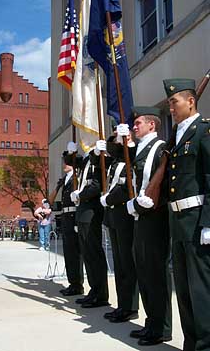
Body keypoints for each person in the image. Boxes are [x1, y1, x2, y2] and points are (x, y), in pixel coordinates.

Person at [162, 78, 210, 351]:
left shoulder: (204, 131)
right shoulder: (177, 135)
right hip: (177, 222)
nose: (170, 107)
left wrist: (208, 223)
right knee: (183, 290)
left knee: (201, 290)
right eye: (169, 103)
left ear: (190, 101)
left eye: (173, 102)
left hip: (196, 221)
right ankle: (191, 344)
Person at [126, 107, 172, 346]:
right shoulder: (140, 149)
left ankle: (162, 328)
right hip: (141, 216)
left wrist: (146, 204)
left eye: (138, 123)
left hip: (155, 217)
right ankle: (152, 322)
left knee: (156, 273)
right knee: (143, 272)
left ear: (152, 125)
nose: (135, 126)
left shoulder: (160, 147)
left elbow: (164, 183)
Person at [96, 129, 139, 323]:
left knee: (127, 263)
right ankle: (122, 305)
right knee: (119, 264)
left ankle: (130, 307)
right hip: (113, 215)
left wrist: (108, 199)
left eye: (117, 138)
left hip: (124, 215)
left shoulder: (132, 156)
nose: (114, 143)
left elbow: (126, 187)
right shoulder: (115, 162)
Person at [67, 141, 109, 308]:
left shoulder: (97, 159)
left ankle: (100, 294)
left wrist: (80, 195)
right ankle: (94, 290)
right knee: (87, 254)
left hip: (91, 209)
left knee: (93, 253)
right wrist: (71, 153)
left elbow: (98, 185)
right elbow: (70, 162)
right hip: (83, 210)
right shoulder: (86, 159)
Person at [59, 152, 84, 296]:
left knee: (75, 253)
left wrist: (75, 222)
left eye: (67, 162)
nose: (64, 164)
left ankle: (77, 284)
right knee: (68, 252)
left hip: (73, 216)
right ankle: (72, 282)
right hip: (65, 216)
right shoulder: (66, 179)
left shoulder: (76, 177)